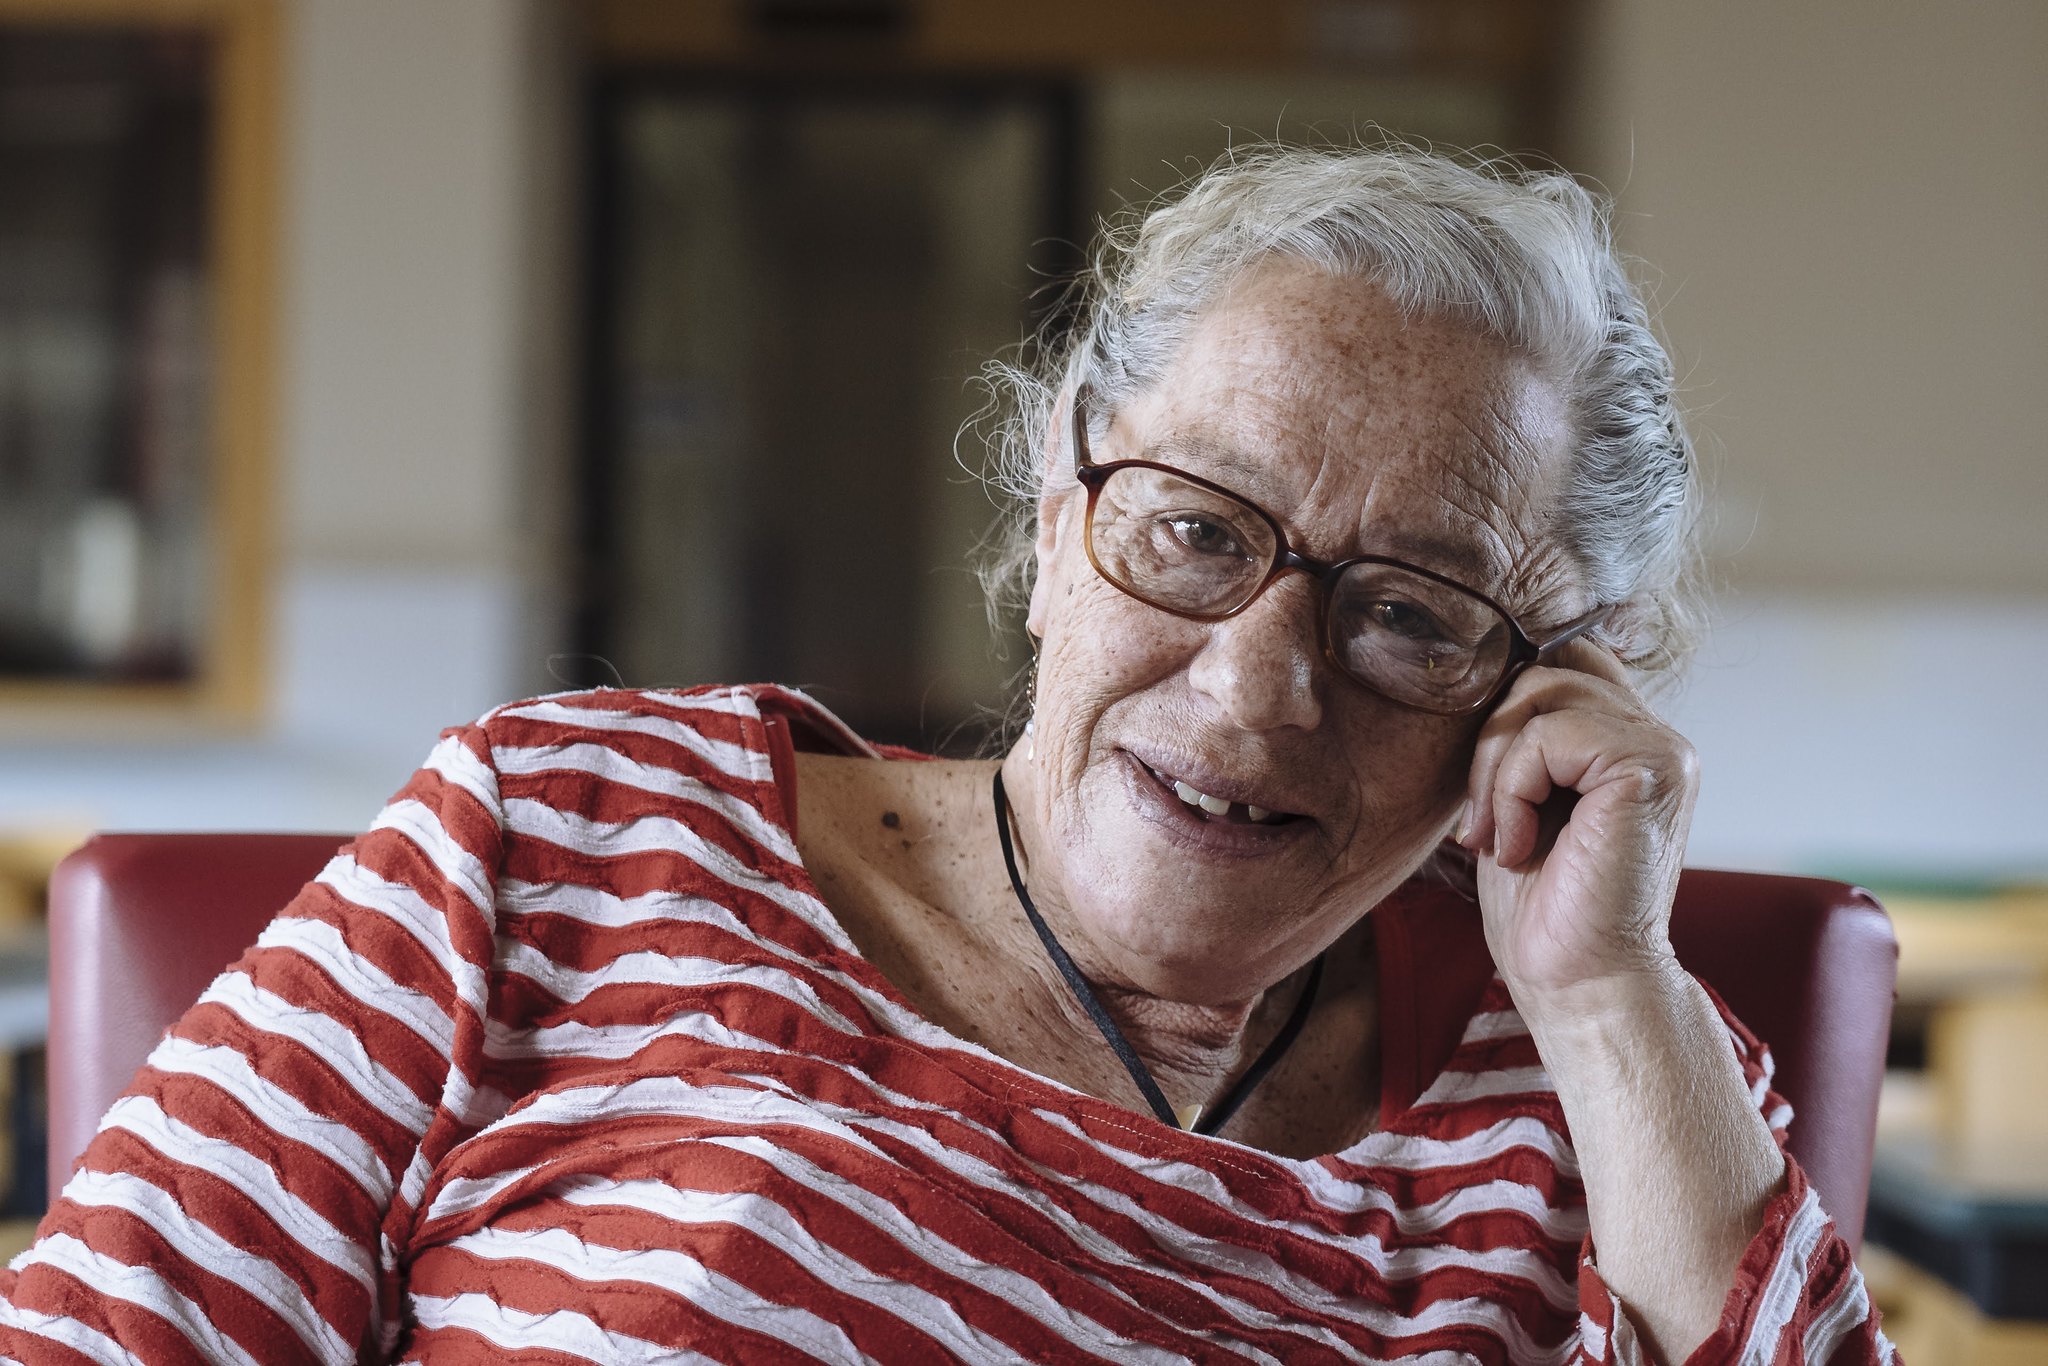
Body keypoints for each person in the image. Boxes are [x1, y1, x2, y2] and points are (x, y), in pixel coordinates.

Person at [0, 147, 1891, 1364]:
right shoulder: (557, 835)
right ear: (1053, 510)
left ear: (1550, 676)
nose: (1256, 692)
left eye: (1410, 612)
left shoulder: (1595, 1070)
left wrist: (1608, 990)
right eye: (1197, 530)